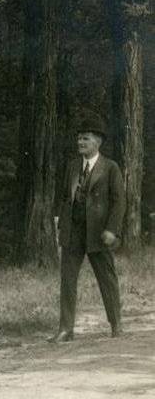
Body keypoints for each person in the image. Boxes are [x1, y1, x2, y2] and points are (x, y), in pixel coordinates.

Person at [49, 119, 125, 343]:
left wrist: (112, 229)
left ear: (98, 142)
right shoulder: (72, 166)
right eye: (79, 138)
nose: (80, 142)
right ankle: (66, 329)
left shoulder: (110, 167)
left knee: (107, 278)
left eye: (86, 138)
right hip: (73, 231)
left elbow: (119, 201)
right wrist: (59, 223)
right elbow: (64, 197)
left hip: (99, 233)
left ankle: (116, 324)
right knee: (68, 280)